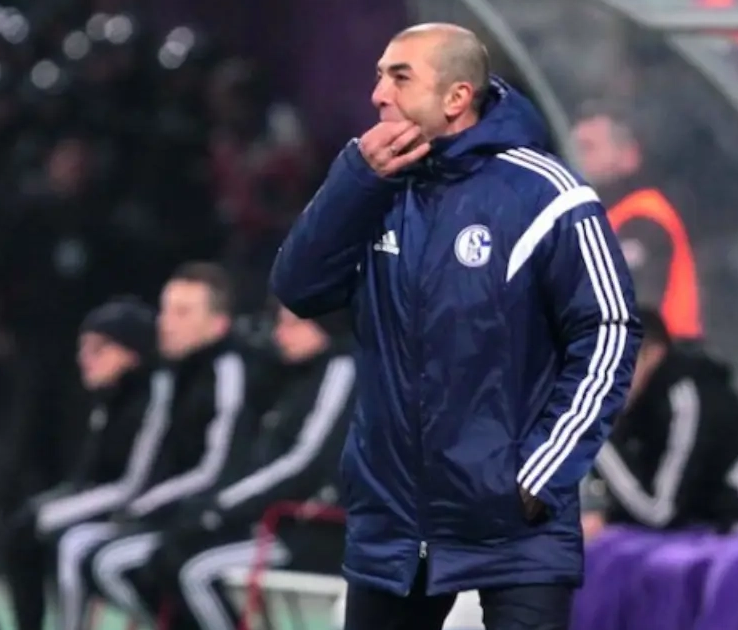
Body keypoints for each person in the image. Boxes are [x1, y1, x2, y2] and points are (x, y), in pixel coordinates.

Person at [270, 23, 641, 630]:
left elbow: (609, 329)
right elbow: (298, 289)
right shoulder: (374, 185)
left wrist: (543, 469)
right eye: (379, 76)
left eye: (400, 77)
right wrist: (354, 180)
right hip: (394, 521)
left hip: (515, 522)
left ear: (456, 97)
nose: (378, 94)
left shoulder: (545, 192)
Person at [54, 263, 281, 630]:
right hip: (173, 510)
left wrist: (145, 505)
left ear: (218, 324)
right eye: (166, 310)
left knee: (113, 562)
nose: (166, 323)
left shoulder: (229, 372)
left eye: (183, 313)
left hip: (219, 519)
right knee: (74, 544)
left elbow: (218, 469)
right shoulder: (169, 374)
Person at [169, 304, 358, 630]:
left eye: (293, 324)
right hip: (283, 522)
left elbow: (306, 462)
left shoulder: (343, 368)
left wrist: (222, 506)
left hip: (318, 530)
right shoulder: (295, 375)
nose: (279, 334)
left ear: (325, 325)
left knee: (196, 572)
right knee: (171, 556)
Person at [1, 297, 157, 630]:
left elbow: (134, 483)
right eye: (83, 348)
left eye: (98, 349)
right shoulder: (107, 400)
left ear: (131, 354)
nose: (85, 359)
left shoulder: (149, 403)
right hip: (106, 496)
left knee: (57, 535)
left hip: (138, 504)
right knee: (22, 528)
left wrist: (55, 511)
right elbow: (87, 473)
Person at [587, 306, 738, 532]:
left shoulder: (685, 399)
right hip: (698, 530)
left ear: (653, 354)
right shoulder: (641, 405)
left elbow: (660, 512)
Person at [572, 104, 702, 342]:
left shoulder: (644, 217)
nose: (578, 158)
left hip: (663, 356)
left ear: (628, 155)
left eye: (588, 148)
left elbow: (626, 298)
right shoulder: (600, 211)